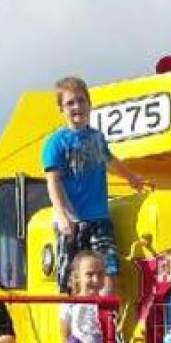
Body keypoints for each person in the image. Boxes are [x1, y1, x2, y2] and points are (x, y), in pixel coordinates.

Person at [43, 75, 148, 293]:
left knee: (109, 268)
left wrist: (131, 178)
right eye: (70, 103)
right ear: (61, 109)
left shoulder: (97, 138)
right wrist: (61, 215)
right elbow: (52, 182)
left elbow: (110, 161)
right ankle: (72, 322)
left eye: (81, 101)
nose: (77, 107)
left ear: (89, 105)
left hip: (99, 217)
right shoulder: (56, 142)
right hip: (72, 218)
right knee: (71, 275)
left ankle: (108, 321)